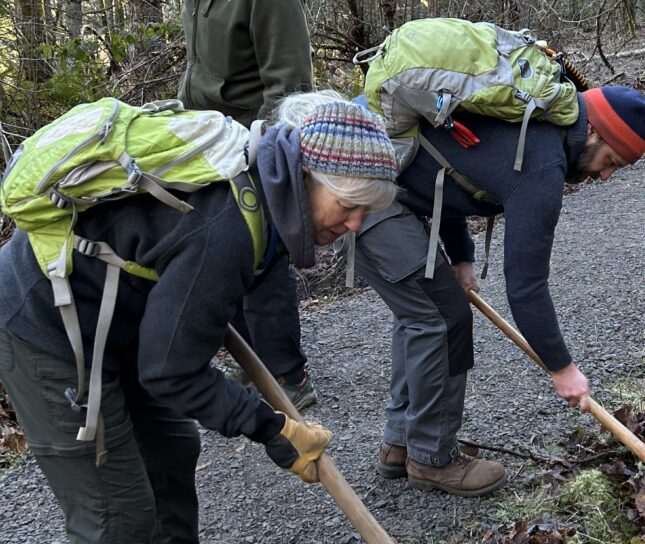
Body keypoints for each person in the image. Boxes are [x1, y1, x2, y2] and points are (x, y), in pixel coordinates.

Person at [0, 92, 397, 543]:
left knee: (171, 453)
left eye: (367, 210)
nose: (356, 224)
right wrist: (273, 428)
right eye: (348, 206)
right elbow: (170, 374)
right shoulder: (227, 229)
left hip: (119, 321)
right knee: (118, 517)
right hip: (46, 326)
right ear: (304, 176)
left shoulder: (265, 197)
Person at [352, 86, 645, 497]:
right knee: (441, 317)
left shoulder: (530, 131)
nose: (605, 175)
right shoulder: (542, 164)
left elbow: (447, 168)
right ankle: (431, 458)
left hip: (376, 179)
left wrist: (461, 258)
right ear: (593, 133)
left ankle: (402, 442)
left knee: (427, 312)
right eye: (611, 161)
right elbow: (527, 285)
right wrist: (562, 368)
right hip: (359, 188)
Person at [178, 0, 319, 409]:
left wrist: (263, 158)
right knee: (224, 256)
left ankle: (289, 376)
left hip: (250, 145)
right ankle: (254, 362)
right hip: (207, 146)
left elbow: (290, 83)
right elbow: (197, 73)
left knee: (263, 261)